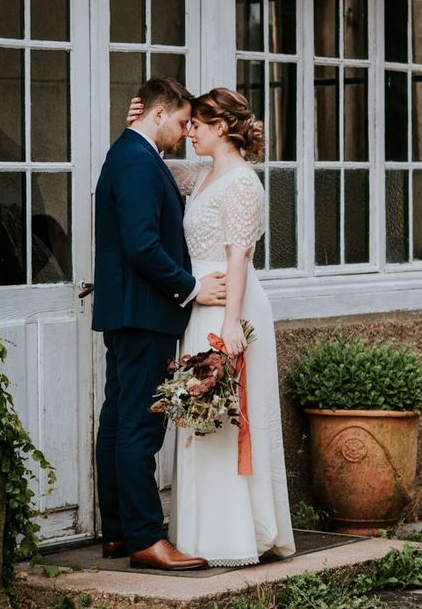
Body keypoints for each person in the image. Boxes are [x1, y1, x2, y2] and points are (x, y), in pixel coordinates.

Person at [126, 87, 296, 566]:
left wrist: (230, 324)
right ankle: (199, 534)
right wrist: (138, 123)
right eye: (185, 125)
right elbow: (152, 159)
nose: (188, 133)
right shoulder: (200, 174)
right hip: (197, 305)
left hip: (228, 306)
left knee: (227, 417)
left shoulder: (242, 183)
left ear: (221, 127)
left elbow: (237, 257)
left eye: (195, 125)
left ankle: (236, 535)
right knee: (199, 416)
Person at [92, 78, 229, 571]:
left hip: (130, 311)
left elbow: (196, 171)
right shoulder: (134, 159)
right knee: (139, 426)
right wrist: (191, 288)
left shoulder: (133, 153)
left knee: (118, 419)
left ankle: (120, 531)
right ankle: (147, 538)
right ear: (157, 115)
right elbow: (141, 245)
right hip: (144, 312)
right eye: (180, 122)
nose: (183, 131)